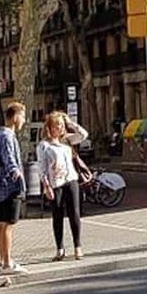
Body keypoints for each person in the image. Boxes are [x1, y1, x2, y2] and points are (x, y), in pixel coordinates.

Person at [37, 110, 89, 261]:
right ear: (50, 127)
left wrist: (70, 122)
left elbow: (83, 135)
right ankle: (60, 248)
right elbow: (42, 167)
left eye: (61, 125)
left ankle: (77, 247)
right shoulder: (44, 145)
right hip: (56, 183)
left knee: (75, 213)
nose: (60, 128)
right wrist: (46, 185)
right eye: (57, 125)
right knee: (58, 215)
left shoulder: (67, 140)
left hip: (71, 179)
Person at [0, 101, 28, 274]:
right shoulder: (8, 136)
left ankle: (3, 260)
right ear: (16, 116)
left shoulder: (0, 135)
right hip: (9, 187)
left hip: (1, 187)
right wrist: (16, 172)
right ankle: (8, 263)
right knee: (9, 224)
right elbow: (9, 158)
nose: (24, 120)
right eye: (23, 116)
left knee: (3, 224)